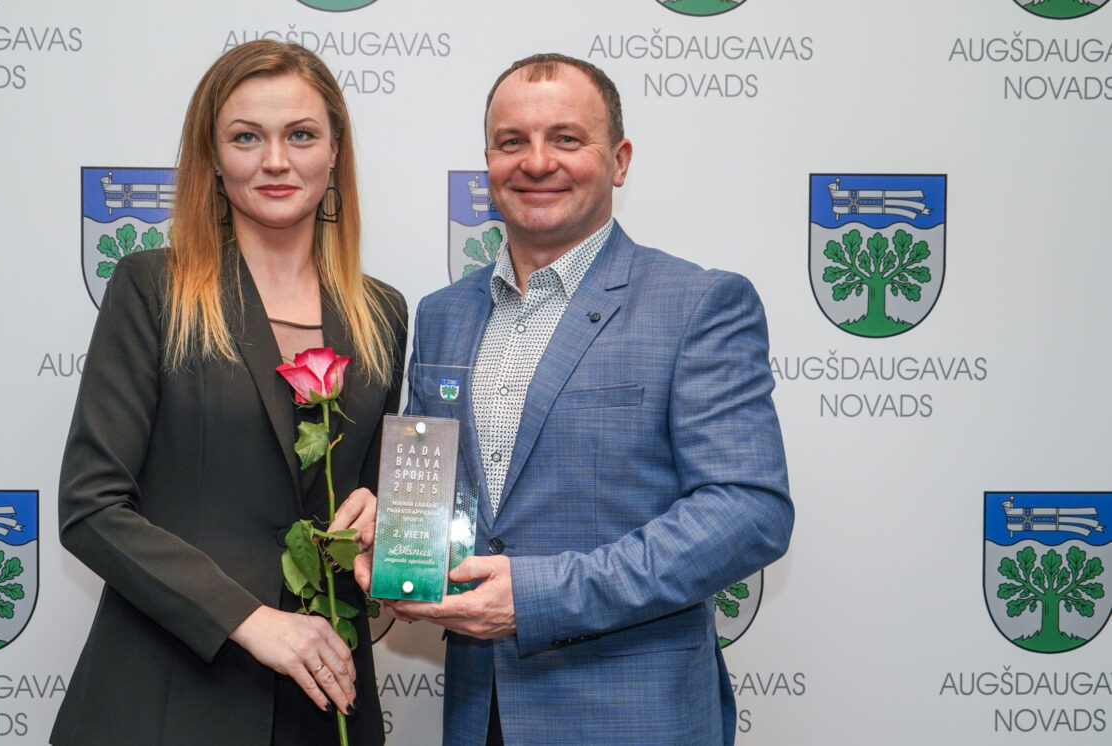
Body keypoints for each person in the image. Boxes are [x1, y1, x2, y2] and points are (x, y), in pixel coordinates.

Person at [381, 53, 793, 745]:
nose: (537, 162)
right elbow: (437, 499)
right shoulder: (443, 314)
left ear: (619, 160)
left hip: (633, 719)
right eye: (512, 142)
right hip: (480, 715)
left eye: (566, 138)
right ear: (489, 163)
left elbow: (749, 511)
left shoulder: (698, 304)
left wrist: (537, 597)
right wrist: (395, 538)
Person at [52, 41, 405, 746]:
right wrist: (250, 619)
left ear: (334, 151)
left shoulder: (382, 314)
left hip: (324, 698)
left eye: (300, 135)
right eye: (246, 137)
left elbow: (371, 514)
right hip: (168, 691)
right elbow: (90, 507)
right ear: (213, 157)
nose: (275, 160)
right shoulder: (153, 289)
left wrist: (387, 524)